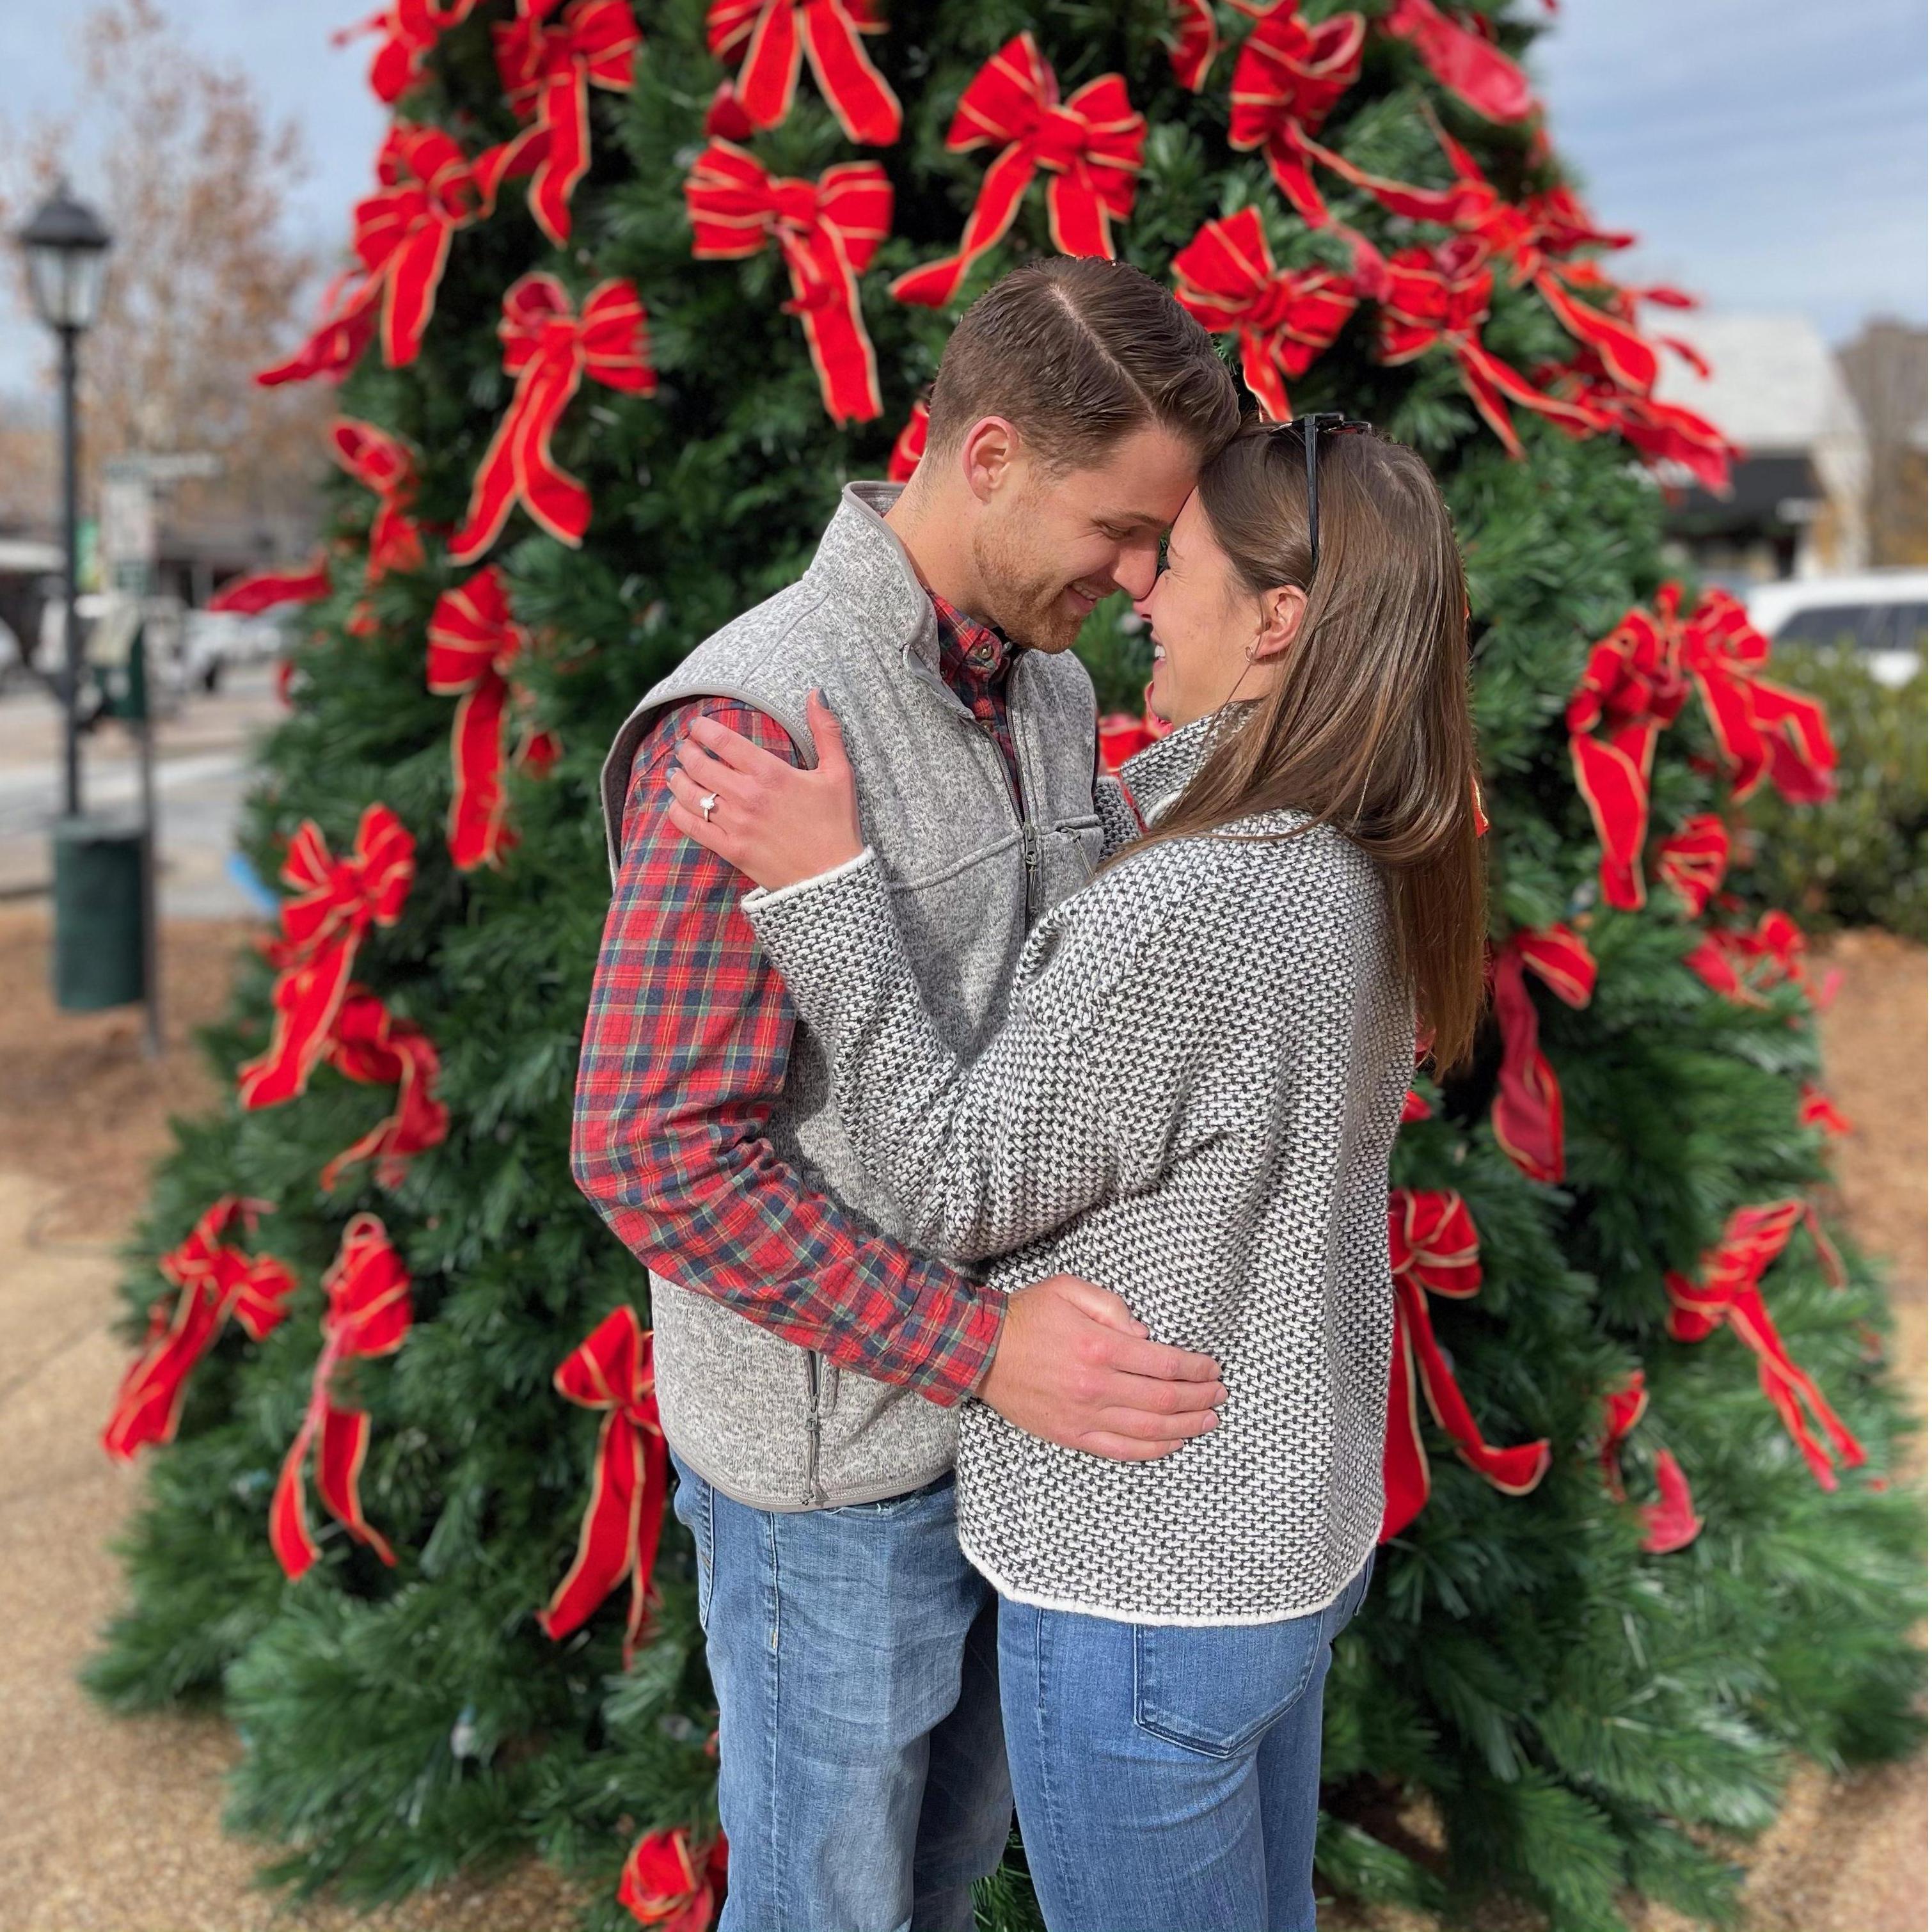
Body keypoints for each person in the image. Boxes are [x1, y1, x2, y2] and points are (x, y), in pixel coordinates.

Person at [664, 419, 1489, 1932]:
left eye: (1171, 566)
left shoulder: (1203, 900)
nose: (1138, 600)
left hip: (1142, 1579)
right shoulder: (1357, 841)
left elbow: (952, 1180)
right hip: (1275, 1543)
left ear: (1277, 618)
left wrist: (830, 891)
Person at [571, 257, 1241, 1932]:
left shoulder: (1053, 688)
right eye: (1120, 527)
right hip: (832, 1496)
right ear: (991, 454)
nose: (1142, 571)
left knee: (931, 1891)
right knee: (829, 1909)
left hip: (1007, 1446)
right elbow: (649, 1149)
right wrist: (979, 1347)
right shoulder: (754, 721)